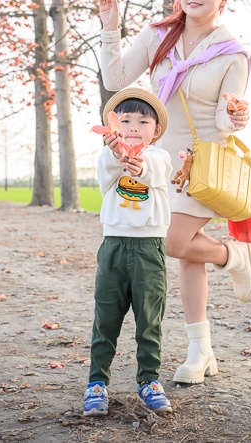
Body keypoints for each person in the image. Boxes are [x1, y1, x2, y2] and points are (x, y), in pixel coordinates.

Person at [98, 0, 251, 386]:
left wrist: (236, 116)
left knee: (172, 242)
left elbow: (225, 118)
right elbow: (116, 79)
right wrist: (110, 26)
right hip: (160, 163)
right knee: (186, 255)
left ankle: (234, 255)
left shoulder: (232, 54)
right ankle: (200, 350)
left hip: (202, 164)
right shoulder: (157, 37)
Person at [84, 87, 173, 417]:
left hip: (149, 249)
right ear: (113, 126)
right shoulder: (108, 158)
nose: (134, 126)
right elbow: (110, 169)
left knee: (149, 320)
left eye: (143, 121)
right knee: (105, 318)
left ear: (156, 130)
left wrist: (137, 163)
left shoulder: (159, 157)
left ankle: (149, 380)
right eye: (125, 120)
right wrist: (115, 151)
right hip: (114, 248)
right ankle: (96, 383)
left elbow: (149, 169)